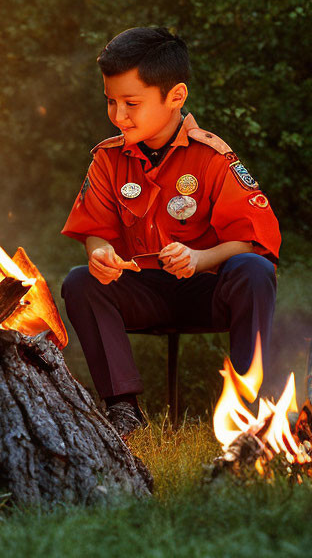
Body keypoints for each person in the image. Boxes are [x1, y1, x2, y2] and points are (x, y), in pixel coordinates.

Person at [61, 27, 280, 438]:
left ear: (175, 96)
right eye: (111, 101)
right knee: (80, 282)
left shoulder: (213, 157)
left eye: (131, 103)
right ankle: (124, 409)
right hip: (143, 290)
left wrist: (201, 258)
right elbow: (95, 229)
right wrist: (100, 254)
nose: (118, 115)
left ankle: (248, 411)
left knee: (254, 270)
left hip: (207, 288)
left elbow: (250, 238)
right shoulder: (108, 159)